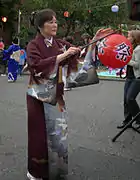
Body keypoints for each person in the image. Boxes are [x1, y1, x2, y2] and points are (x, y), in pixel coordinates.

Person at [26, 9, 113, 180]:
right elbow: (36, 66)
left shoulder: (59, 43)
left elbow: (77, 54)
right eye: (50, 22)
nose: (55, 25)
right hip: (38, 97)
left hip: (56, 96)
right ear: (40, 25)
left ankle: (57, 172)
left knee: (58, 134)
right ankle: (36, 171)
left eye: (56, 21)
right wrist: (63, 55)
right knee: (39, 136)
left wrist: (94, 42)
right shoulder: (33, 45)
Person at [117, 30, 140, 129]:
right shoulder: (129, 48)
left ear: (135, 38)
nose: (127, 38)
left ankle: (138, 119)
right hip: (129, 77)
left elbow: (137, 64)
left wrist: (126, 60)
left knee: (130, 98)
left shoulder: (138, 49)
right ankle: (127, 121)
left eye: (129, 36)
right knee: (126, 100)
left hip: (137, 77)